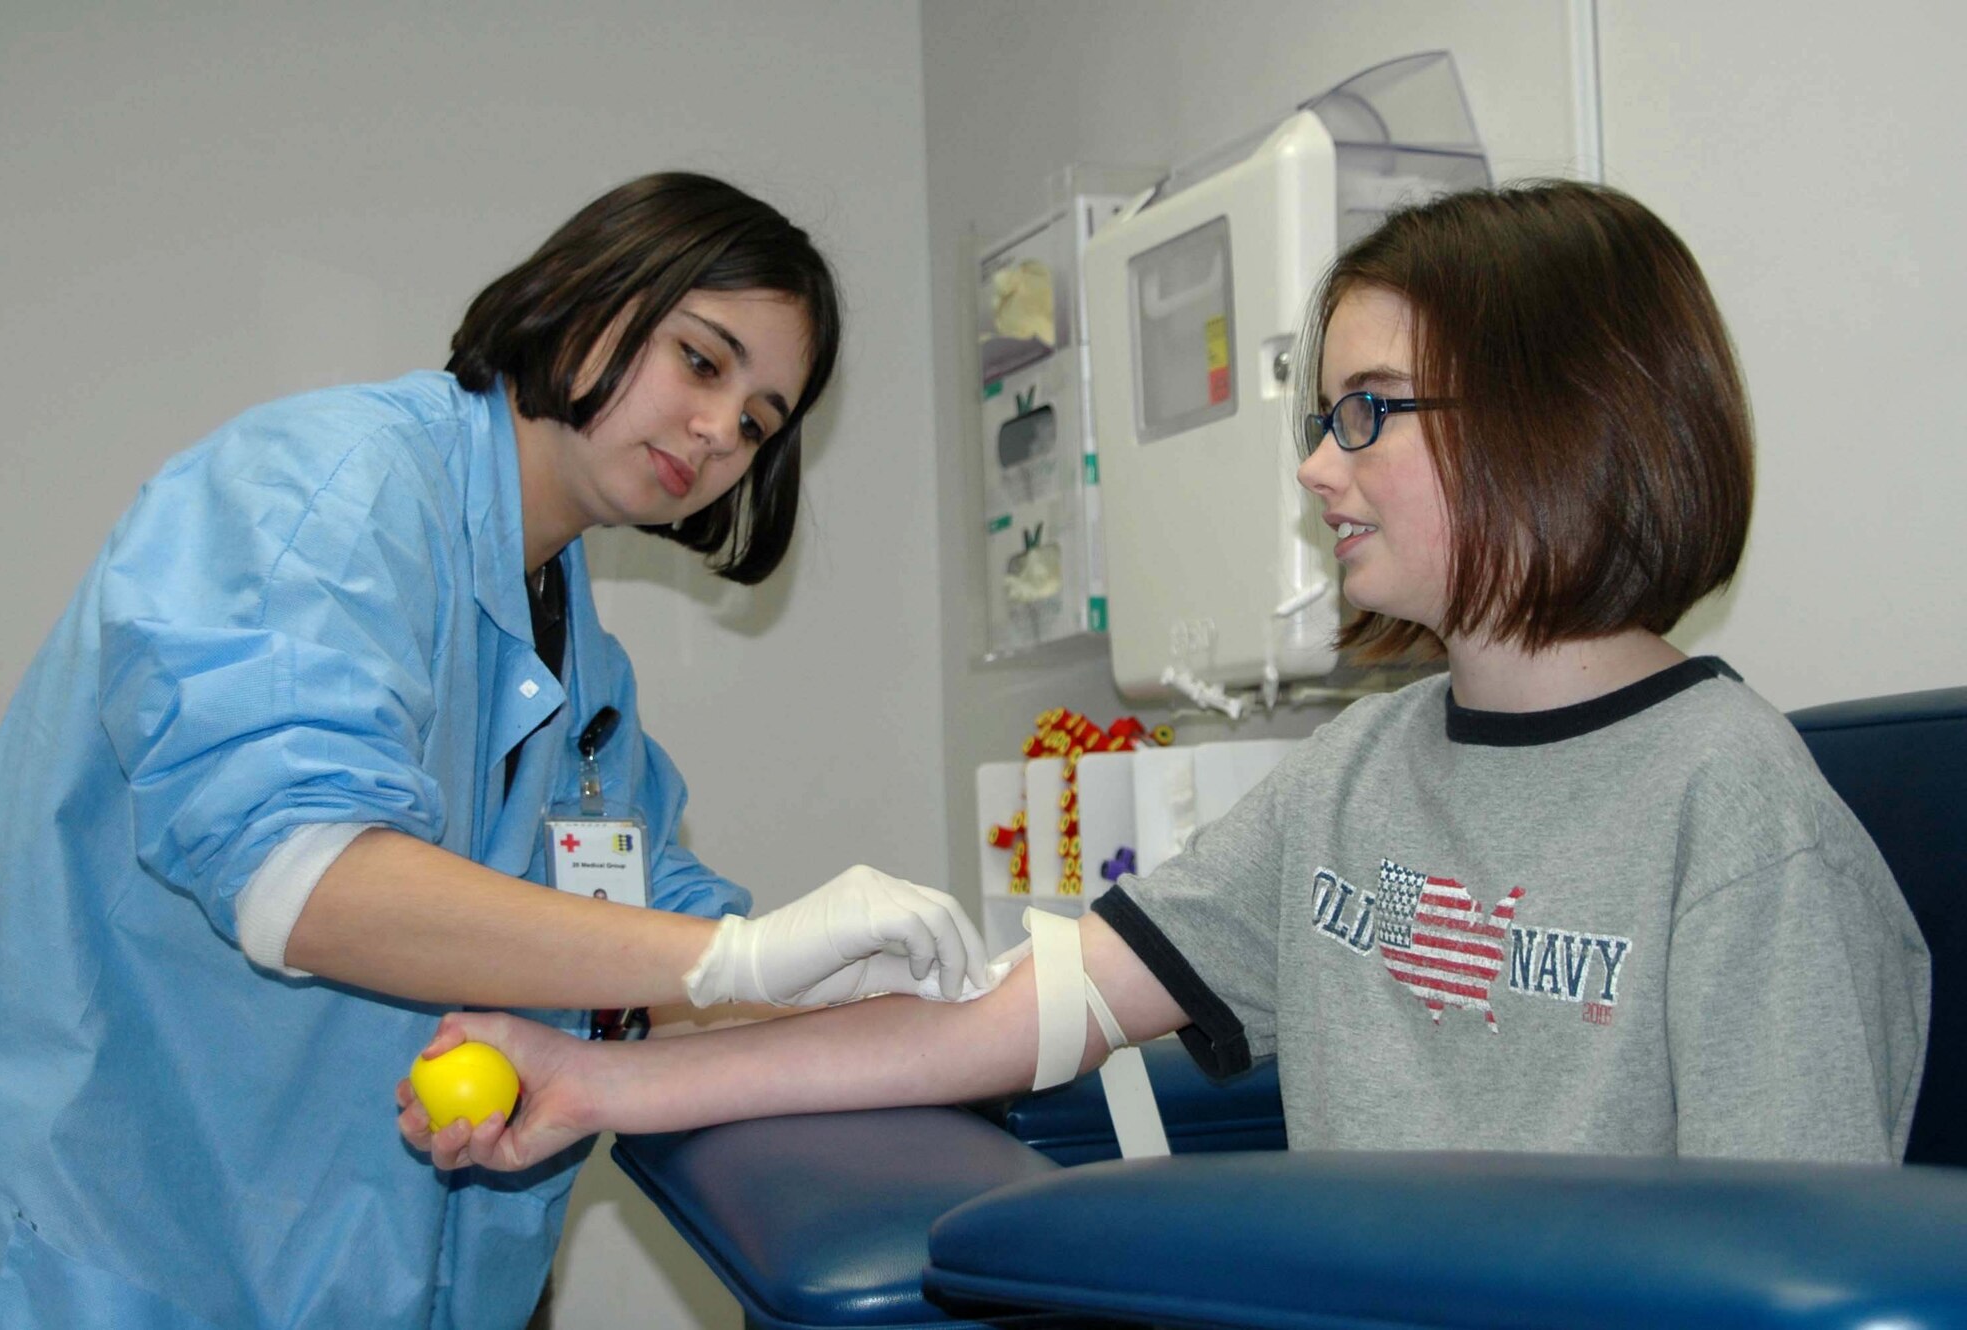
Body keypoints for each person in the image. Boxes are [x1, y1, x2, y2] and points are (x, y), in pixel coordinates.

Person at [398, 180, 1929, 1176]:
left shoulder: (1739, 825)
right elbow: (1009, 1017)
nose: (1321, 468)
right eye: (1322, 418)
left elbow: (1794, 1275)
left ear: (1560, 416)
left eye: (1369, 412)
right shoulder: (1355, 776)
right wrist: (604, 1085)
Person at [0, 172, 991, 1329]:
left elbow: (633, 933)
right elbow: (301, 878)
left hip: (380, 1278)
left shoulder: (576, 656)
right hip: (123, 1260)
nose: (718, 434)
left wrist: (850, 987)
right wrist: (737, 958)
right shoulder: (331, 494)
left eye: (757, 422)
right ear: (588, 294)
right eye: (701, 361)